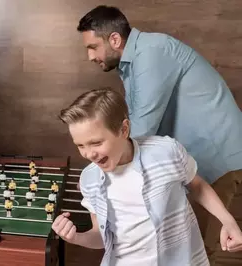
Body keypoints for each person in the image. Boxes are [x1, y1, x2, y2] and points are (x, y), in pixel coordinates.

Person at [77, 5, 242, 259]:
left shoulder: (152, 53)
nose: (90, 56)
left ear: (114, 39)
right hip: (197, 159)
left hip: (216, 158)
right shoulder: (133, 62)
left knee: (199, 251)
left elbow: (140, 130)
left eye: (92, 46)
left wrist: (99, 166)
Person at [52, 88, 242, 266]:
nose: (89, 154)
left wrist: (228, 221)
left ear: (124, 129)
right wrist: (76, 238)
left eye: (96, 143)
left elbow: (198, 185)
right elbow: (101, 236)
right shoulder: (90, 180)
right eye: (81, 145)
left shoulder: (167, 152)